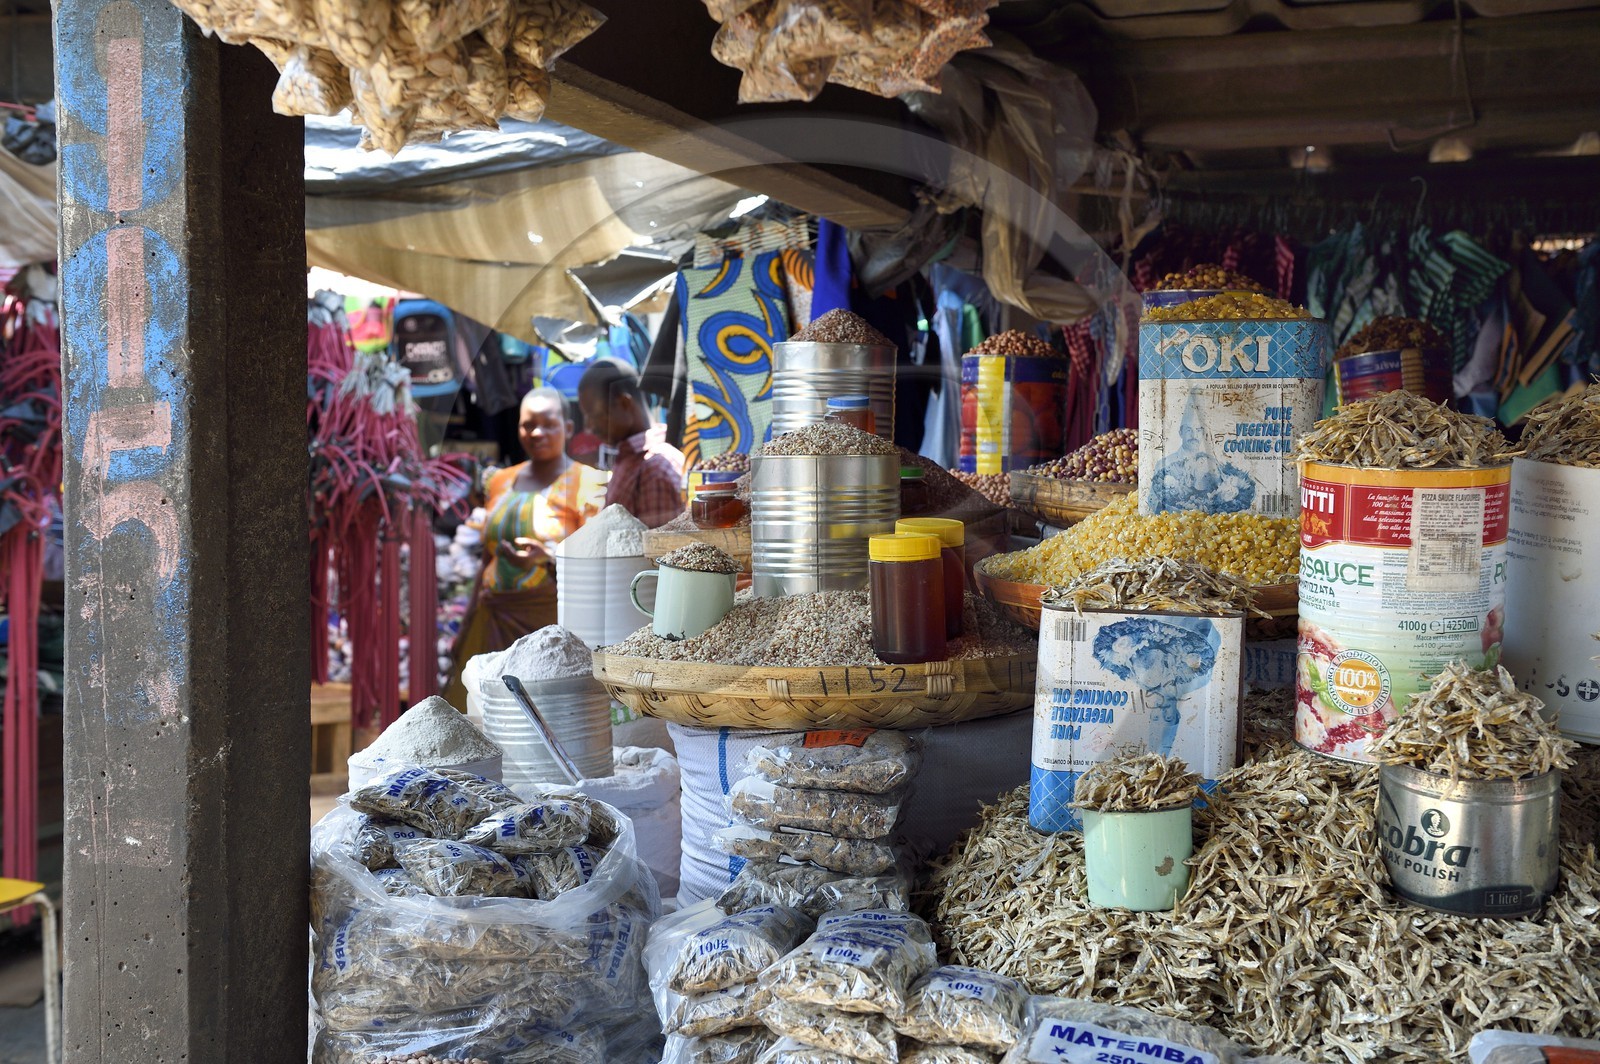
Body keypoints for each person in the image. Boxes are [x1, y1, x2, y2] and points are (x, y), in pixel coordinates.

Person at [444, 387, 609, 707]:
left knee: (539, 712)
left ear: (569, 428)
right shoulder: (500, 481)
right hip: (491, 615)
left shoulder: (590, 484)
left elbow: (597, 567)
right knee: (481, 709)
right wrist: (465, 624)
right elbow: (487, 558)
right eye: (528, 425)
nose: (537, 433)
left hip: (547, 622)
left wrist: (546, 558)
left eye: (549, 424)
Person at [577, 358, 686, 528]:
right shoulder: (630, 459)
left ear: (624, 404)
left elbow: (660, 550)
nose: (589, 427)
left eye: (594, 415)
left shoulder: (655, 469)